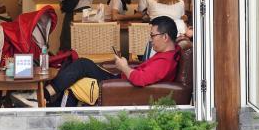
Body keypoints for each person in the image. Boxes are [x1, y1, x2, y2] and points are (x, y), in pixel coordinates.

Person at [45, 16, 181, 107]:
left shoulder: (165, 62)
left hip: (121, 86)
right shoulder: (170, 53)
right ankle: (49, 97)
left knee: (80, 67)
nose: (151, 39)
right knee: (80, 63)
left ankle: (46, 97)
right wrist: (125, 67)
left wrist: (124, 67)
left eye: (152, 35)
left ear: (165, 37)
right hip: (121, 80)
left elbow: (139, 79)